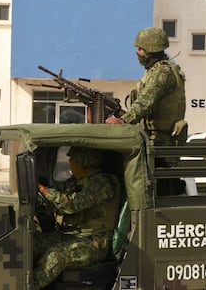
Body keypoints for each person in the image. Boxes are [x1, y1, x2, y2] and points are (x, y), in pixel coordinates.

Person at [33, 147, 120, 290]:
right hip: (72, 235)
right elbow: (58, 191)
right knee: (34, 243)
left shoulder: (101, 184)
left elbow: (72, 204)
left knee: (56, 255)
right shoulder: (78, 181)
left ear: (85, 162)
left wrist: (44, 191)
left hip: (95, 242)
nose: (70, 162)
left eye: (73, 159)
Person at [106, 27, 187, 147]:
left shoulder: (163, 73)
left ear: (150, 52)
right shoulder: (154, 71)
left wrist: (123, 121)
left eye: (140, 49)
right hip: (152, 139)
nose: (138, 53)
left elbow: (145, 100)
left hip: (160, 143)